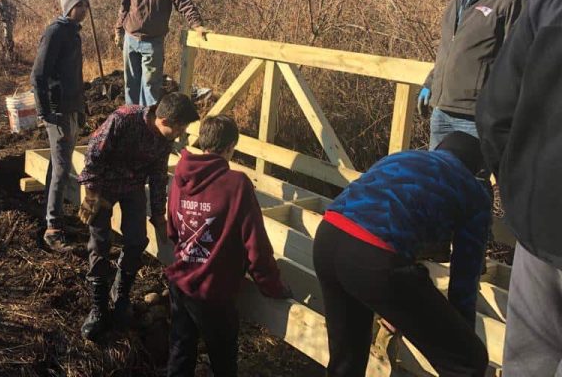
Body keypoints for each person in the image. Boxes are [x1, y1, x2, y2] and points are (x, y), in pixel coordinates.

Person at [312, 132, 491, 377]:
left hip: (328, 235)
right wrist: (459, 333)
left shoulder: (402, 158)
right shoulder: (473, 191)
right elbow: (464, 280)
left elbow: (393, 216)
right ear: (478, 170)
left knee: (347, 360)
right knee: (469, 361)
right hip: (373, 255)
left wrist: (397, 307)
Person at [476, 0, 562, 377]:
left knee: (528, 363)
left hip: (537, 220)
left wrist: (516, 189)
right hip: (536, 220)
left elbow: (494, 114)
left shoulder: (544, 3)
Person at [165, 115, 290, 377]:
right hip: (214, 291)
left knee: (180, 352)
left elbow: (173, 230)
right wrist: (272, 285)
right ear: (230, 146)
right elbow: (256, 244)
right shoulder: (236, 184)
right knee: (223, 361)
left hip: (180, 282)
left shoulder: (181, 174)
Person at [76, 91, 200, 340]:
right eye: (180, 128)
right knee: (99, 244)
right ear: (165, 121)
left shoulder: (163, 141)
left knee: (136, 240)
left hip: (132, 187)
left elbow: (157, 177)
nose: (181, 134)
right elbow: (94, 151)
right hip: (104, 184)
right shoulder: (124, 119)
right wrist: (90, 192)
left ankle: (120, 296)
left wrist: (158, 215)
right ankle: (98, 308)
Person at [417, 0, 529, 149]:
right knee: (438, 179)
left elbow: (521, 63)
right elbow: (449, 49)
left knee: (471, 183)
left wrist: (499, 114)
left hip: (476, 118)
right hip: (441, 110)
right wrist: (431, 83)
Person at [30, 0, 89, 252]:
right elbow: (38, 75)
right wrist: (44, 111)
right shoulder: (55, 32)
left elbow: (75, 76)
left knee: (57, 165)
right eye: (80, 6)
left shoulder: (74, 33)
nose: (84, 10)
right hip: (57, 110)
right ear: (68, 7)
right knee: (63, 168)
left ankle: (51, 215)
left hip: (71, 107)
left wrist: (82, 107)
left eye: (86, 6)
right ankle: (53, 229)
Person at [114, 0, 210, 106]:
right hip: (131, 39)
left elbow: (184, 3)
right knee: (131, 82)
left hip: (153, 42)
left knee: (150, 84)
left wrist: (197, 25)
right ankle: (131, 116)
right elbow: (124, 7)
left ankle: (148, 119)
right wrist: (118, 30)